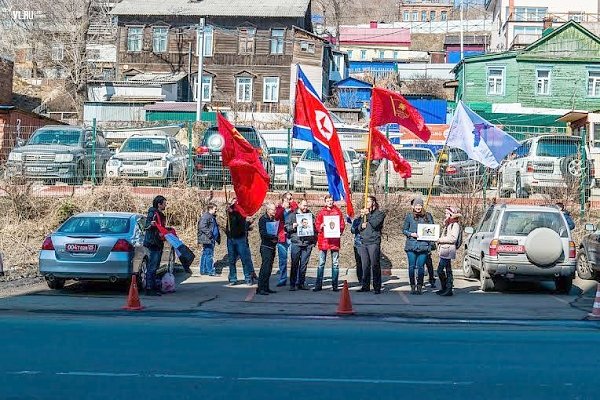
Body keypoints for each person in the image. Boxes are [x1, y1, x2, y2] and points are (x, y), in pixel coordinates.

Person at [314, 194, 345, 292]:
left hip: (334, 241)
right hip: (324, 240)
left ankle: (335, 285)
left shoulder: (338, 212)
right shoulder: (321, 212)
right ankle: (318, 285)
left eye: (331, 200)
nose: (330, 202)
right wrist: (321, 226)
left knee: (335, 264)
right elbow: (317, 225)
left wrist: (339, 230)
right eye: (328, 201)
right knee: (321, 263)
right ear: (325, 202)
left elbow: (342, 224)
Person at [403, 196, 432, 295]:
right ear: (413, 206)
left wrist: (429, 237)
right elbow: (404, 230)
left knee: (420, 267)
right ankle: (412, 286)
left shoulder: (428, 216)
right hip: (411, 245)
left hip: (423, 245)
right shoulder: (409, 216)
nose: (418, 207)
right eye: (416, 205)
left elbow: (432, 229)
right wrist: (411, 234)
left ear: (422, 206)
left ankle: (419, 286)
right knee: (411, 266)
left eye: (420, 205)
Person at [286, 199, 316, 291]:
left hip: (307, 243)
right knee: (294, 264)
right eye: (304, 205)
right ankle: (292, 284)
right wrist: (293, 226)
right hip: (296, 242)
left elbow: (314, 227)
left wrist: (313, 240)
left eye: (306, 206)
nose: (305, 207)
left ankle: (301, 283)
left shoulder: (310, 215)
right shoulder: (292, 215)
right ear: (299, 205)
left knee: (303, 265)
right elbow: (287, 228)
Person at [358, 196, 385, 294]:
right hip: (364, 242)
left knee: (375, 265)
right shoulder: (365, 215)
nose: (367, 203)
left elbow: (375, 224)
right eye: (365, 201)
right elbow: (358, 227)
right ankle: (365, 286)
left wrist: (368, 214)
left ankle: (377, 287)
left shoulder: (380, 214)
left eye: (368, 201)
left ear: (373, 202)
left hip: (373, 242)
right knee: (365, 265)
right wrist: (361, 225)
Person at [225, 198, 256, 285]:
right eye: (233, 201)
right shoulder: (230, 209)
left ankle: (248, 277)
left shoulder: (241, 210)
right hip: (231, 238)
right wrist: (229, 210)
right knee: (231, 260)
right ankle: (233, 278)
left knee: (244, 258)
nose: (234, 202)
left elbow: (240, 219)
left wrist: (232, 212)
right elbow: (228, 219)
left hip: (240, 238)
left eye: (236, 200)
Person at [143, 195, 167, 296]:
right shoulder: (153, 212)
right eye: (164, 203)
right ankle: (149, 288)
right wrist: (151, 225)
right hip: (153, 243)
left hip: (158, 242)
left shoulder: (160, 214)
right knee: (152, 266)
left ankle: (154, 286)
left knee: (155, 266)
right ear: (159, 204)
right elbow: (147, 226)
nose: (166, 205)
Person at [436, 207, 462, 297]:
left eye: (447, 213)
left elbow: (453, 238)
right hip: (444, 250)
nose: (445, 215)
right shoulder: (448, 224)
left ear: (451, 215)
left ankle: (448, 288)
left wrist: (440, 240)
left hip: (448, 250)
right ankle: (445, 288)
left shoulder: (455, 225)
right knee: (447, 269)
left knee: (440, 270)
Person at [274, 192, 297, 287]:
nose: (289, 201)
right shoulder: (280, 209)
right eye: (287, 199)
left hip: (292, 237)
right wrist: (282, 207)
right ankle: (283, 279)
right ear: (283, 200)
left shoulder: (293, 210)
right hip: (282, 237)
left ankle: (295, 279)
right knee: (282, 260)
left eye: (290, 199)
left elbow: (297, 210)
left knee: (294, 259)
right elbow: (276, 216)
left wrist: (292, 202)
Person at [257, 203, 278, 295]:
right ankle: (260, 288)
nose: (275, 211)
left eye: (275, 210)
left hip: (272, 245)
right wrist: (272, 237)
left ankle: (266, 287)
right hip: (266, 246)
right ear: (268, 210)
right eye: (273, 210)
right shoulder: (263, 219)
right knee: (265, 268)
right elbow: (263, 233)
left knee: (269, 268)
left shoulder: (272, 219)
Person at [197, 203, 220, 276]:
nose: (216, 210)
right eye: (215, 209)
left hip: (209, 238)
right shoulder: (206, 216)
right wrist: (210, 235)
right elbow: (202, 226)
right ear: (210, 209)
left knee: (206, 254)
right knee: (209, 255)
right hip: (208, 239)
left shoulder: (210, 216)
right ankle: (210, 271)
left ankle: (203, 270)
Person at [348, 214, 363, 285]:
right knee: (359, 263)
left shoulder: (370, 219)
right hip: (358, 244)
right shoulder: (357, 220)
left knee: (366, 263)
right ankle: (360, 279)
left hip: (367, 243)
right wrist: (358, 224)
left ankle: (366, 279)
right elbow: (352, 230)